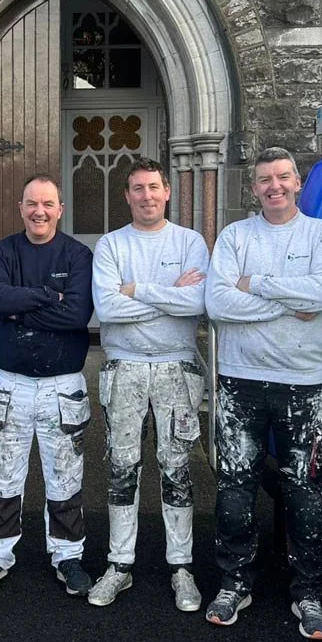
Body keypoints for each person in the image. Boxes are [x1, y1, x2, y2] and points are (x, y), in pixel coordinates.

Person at [204, 147, 322, 638]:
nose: (274, 186)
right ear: (254, 188)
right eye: (265, 179)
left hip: (303, 385)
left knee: (305, 490)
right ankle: (234, 581)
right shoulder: (235, 235)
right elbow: (218, 302)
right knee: (234, 488)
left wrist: (256, 284)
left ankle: (307, 593)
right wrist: (288, 303)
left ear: (298, 182)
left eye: (283, 177)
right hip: (239, 383)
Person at [88, 157, 209, 611]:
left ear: (168, 191)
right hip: (124, 370)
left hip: (178, 369)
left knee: (176, 468)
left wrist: (137, 289)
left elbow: (196, 303)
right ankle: (119, 564)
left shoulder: (190, 242)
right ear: (127, 195)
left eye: (153, 187)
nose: (146, 196)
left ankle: (181, 567)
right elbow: (107, 308)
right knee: (122, 467)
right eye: (137, 189)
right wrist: (168, 293)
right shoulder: (111, 245)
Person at [0, 175, 95, 597]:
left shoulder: (78, 255)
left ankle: (68, 555)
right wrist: (48, 297)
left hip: (63, 386)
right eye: (31, 204)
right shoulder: (2, 253)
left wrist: (18, 310)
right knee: (4, 476)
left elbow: (77, 315)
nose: (39, 211)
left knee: (65, 476)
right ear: (19, 207)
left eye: (47, 204)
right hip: (12, 385)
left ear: (60, 209)